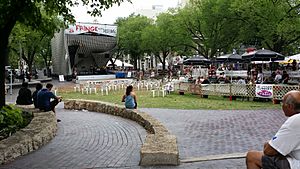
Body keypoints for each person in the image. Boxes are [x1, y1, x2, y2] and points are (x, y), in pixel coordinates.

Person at [246, 90, 300, 169]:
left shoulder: (295, 120)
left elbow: (269, 151)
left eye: (282, 103)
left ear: (290, 106)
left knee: (252, 156)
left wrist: (270, 144)